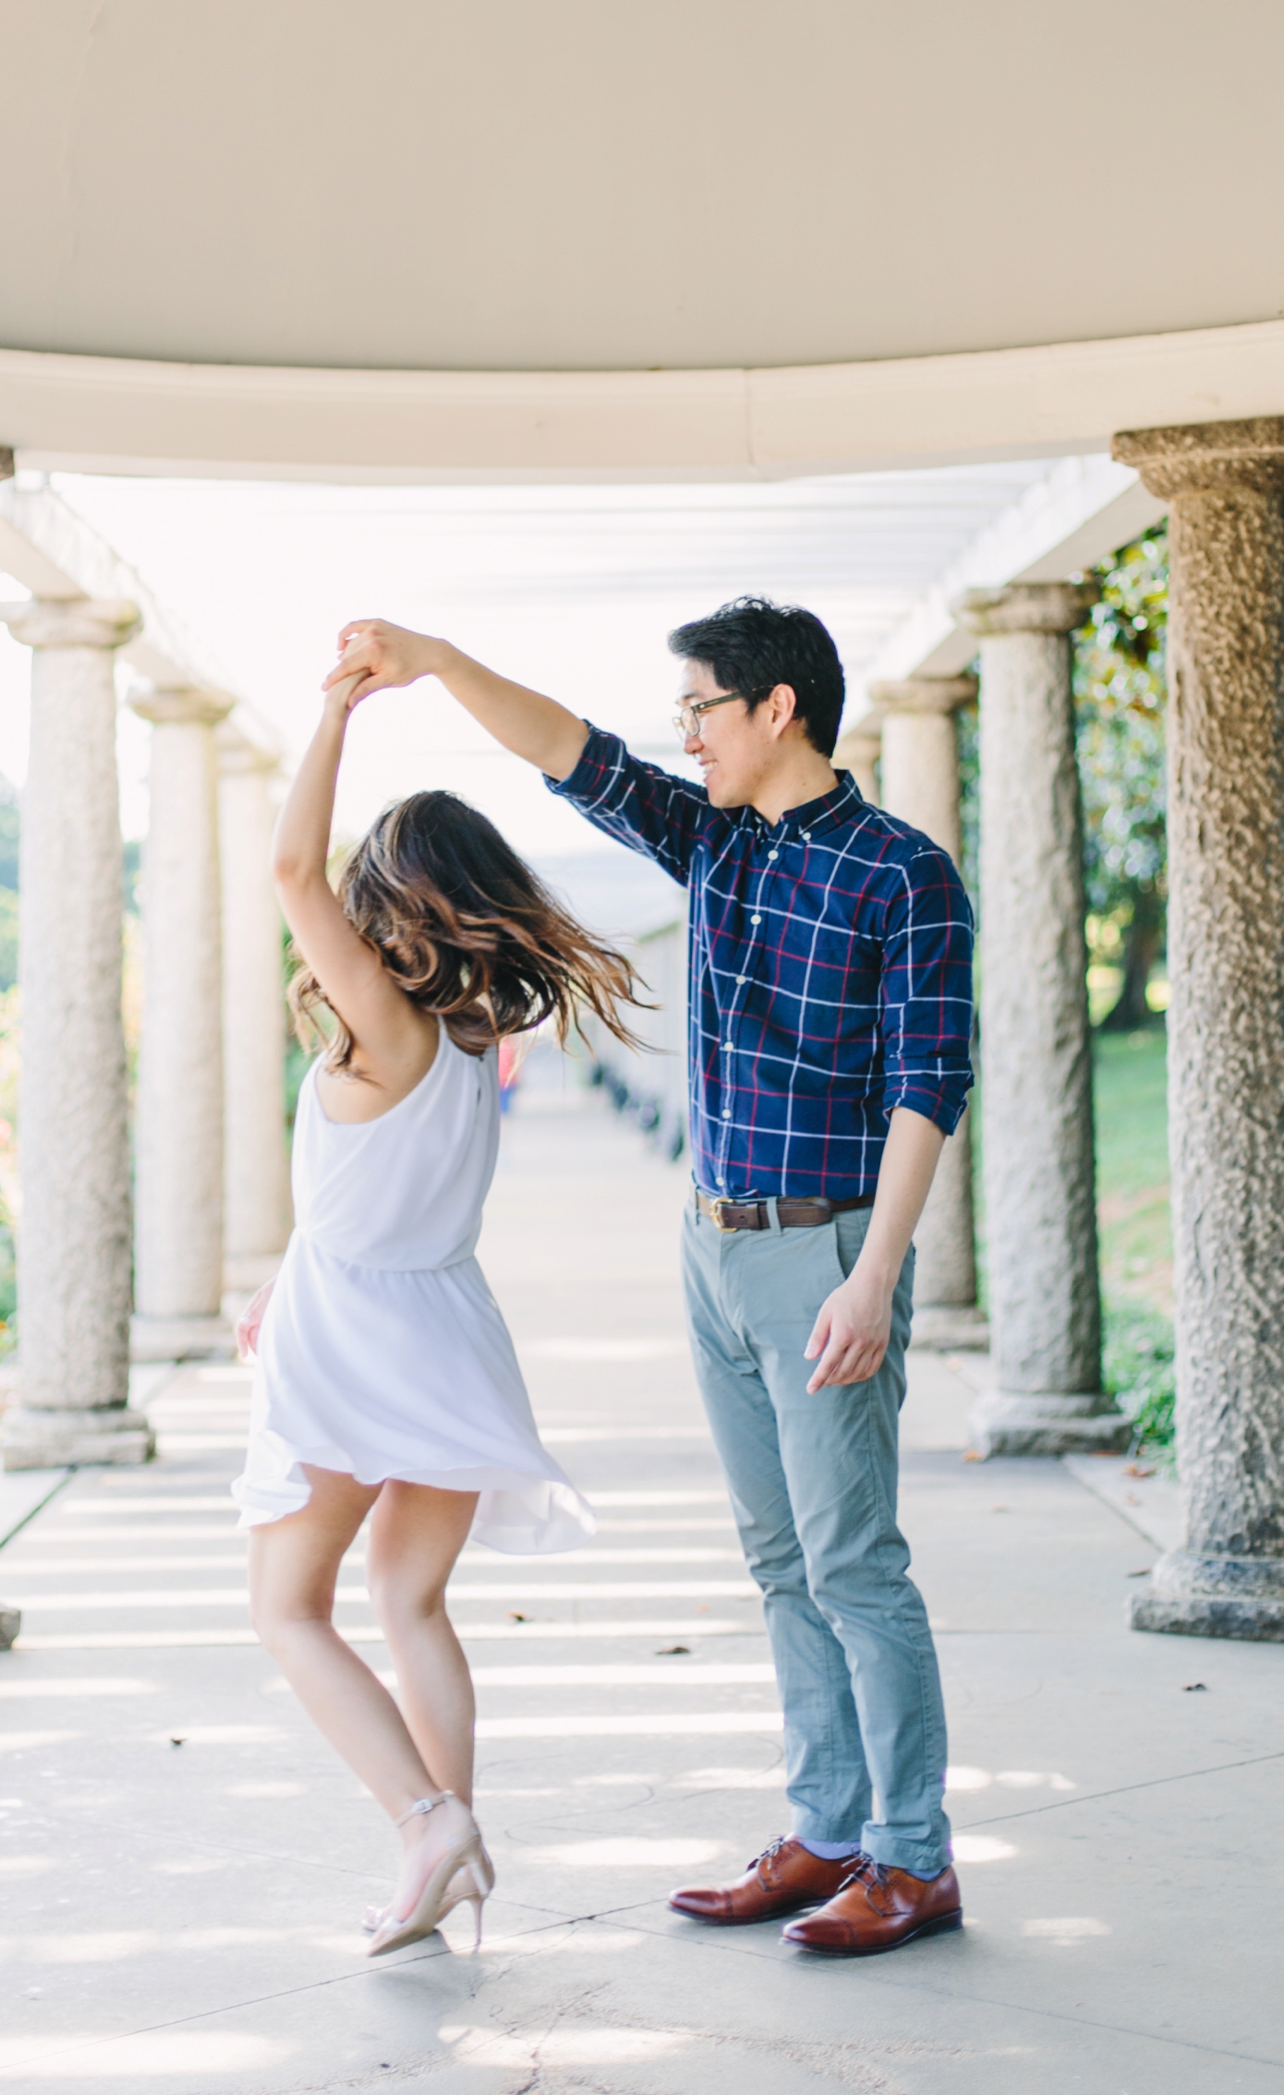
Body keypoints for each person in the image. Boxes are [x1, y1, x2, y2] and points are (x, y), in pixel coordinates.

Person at [327, 596, 974, 1959]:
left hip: (827, 1249)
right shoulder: (717, 844)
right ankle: (828, 1830)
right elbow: (571, 751)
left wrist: (874, 1277)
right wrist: (438, 663)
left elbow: (929, 1086)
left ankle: (913, 1861)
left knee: (854, 1561)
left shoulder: (904, 876)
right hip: (714, 1242)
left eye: (700, 710)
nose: (682, 736)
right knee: (779, 1557)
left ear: (775, 708)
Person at [231, 669, 643, 1957]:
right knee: (411, 1606)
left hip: (354, 1345)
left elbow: (293, 871)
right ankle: (445, 1852)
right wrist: (284, 1272)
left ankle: (424, 1821)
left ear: (395, 904)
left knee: (287, 1608)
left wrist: (334, 717)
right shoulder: (472, 1040)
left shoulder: (387, 1027)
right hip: (447, 1336)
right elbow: (381, 1197)